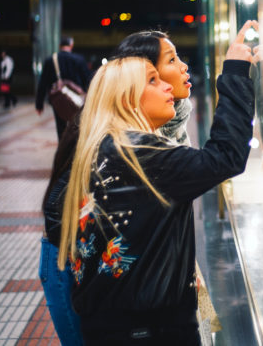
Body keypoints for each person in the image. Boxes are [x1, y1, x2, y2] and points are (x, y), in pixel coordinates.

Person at [57, 21, 257, 345]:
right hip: (147, 328)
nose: (166, 83)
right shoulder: (137, 152)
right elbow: (225, 157)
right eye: (153, 79)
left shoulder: (107, 143)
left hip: (119, 320)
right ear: (127, 98)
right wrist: (235, 68)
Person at [40, 30, 196, 345]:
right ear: (141, 76)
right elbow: (57, 211)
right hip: (69, 264)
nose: (183, 67)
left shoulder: (165, 123)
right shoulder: (113, 131)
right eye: (171, 60)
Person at [36, 36, 92, 138]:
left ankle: (63, 148)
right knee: (77, 125)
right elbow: (88, 80)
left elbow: (43, 82)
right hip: (77, 99)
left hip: (58, 98)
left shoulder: (50, 60)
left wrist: (39, 104)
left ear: (59, 46)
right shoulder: (79, 59)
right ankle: (75, 149)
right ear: (71, 45)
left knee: (60, 126)